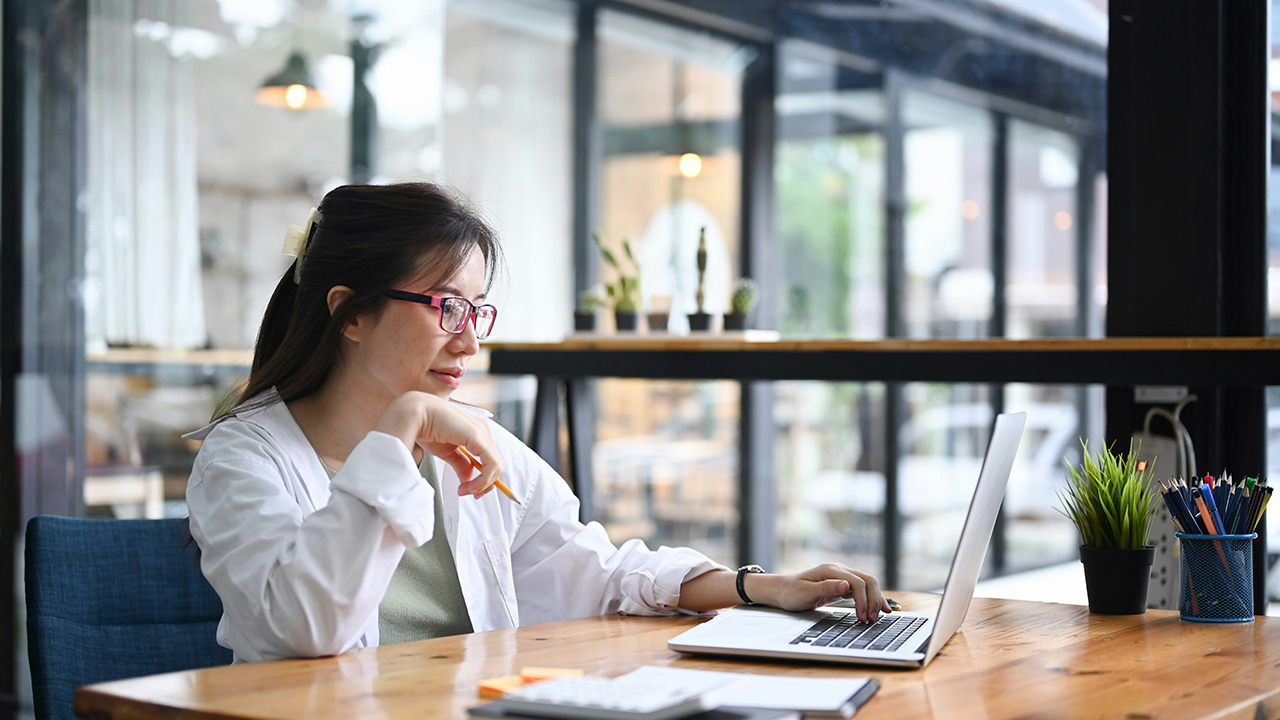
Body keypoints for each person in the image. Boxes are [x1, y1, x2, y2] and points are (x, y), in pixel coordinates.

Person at [185, 182, 890, 663]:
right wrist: (397, 431)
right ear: (352, 313)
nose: (469, 341)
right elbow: (311, 630)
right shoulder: (244, 459)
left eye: (476, 309)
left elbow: (600, 572)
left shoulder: (475, 445)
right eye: (445, 307)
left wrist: (758, 587)